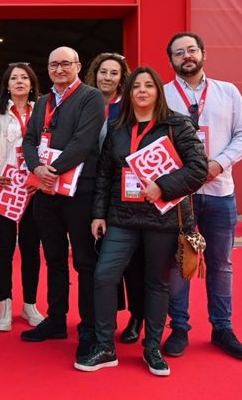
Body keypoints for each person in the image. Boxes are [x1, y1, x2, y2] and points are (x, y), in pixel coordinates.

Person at [76, 67, 208, 376]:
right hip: (123, 216)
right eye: (137, 86)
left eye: (150, 86)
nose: (143, 91)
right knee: (104, 276)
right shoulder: (120, 127)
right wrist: (98, 213)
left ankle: (151, 349)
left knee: (156, 283)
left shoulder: (177, 125)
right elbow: (106, 175)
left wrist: (163, 185)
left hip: (163, 218)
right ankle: (106, 346)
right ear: (129, 92)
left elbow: (198, 168)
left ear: (158, 92)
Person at [163, 32, 242, 360]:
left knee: (221, 263)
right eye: (179, 52)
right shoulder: (163, 95)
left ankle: (222, 328)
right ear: (171, 60)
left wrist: (219, 162)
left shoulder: (227, 92)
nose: (186, 56)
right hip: (179, 196)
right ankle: (179, 327)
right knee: (179, 263)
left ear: (202, 53)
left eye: (191, 50)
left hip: (219, 191)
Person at [21, 47, 104, 359]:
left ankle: (89, 328)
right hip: (46, 193)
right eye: (53, 64)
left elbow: (83, 143)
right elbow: (29, 140)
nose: (58, 69)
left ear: (78, 66)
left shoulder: (90, 97)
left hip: (79, 193)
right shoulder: (43, 101)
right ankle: (56, 320)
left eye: (65, 64)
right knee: (54, 259)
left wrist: (50, 172)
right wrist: (36, 169)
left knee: (84, 262)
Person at [0, 62, 44, 331]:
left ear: (31, 83)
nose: (19, 82)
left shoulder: (43, 111)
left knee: (31, 249)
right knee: (4, 249)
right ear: (6, 84)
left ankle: (30, 305)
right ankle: (5, 304)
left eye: (24, 77)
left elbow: (51, 146)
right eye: (13, 78)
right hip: (3, 189)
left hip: (33, 190)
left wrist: (40, 178)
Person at [86, 52, 144, 344]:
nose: (107, 77)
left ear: (123, 78)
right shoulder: (86, 103)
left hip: (125, 192)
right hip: (91, 190)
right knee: (99, 258)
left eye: (114, 73)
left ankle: (137, 316)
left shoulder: (129, 107)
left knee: (132, 260)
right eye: (102, 72)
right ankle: (105, 314)